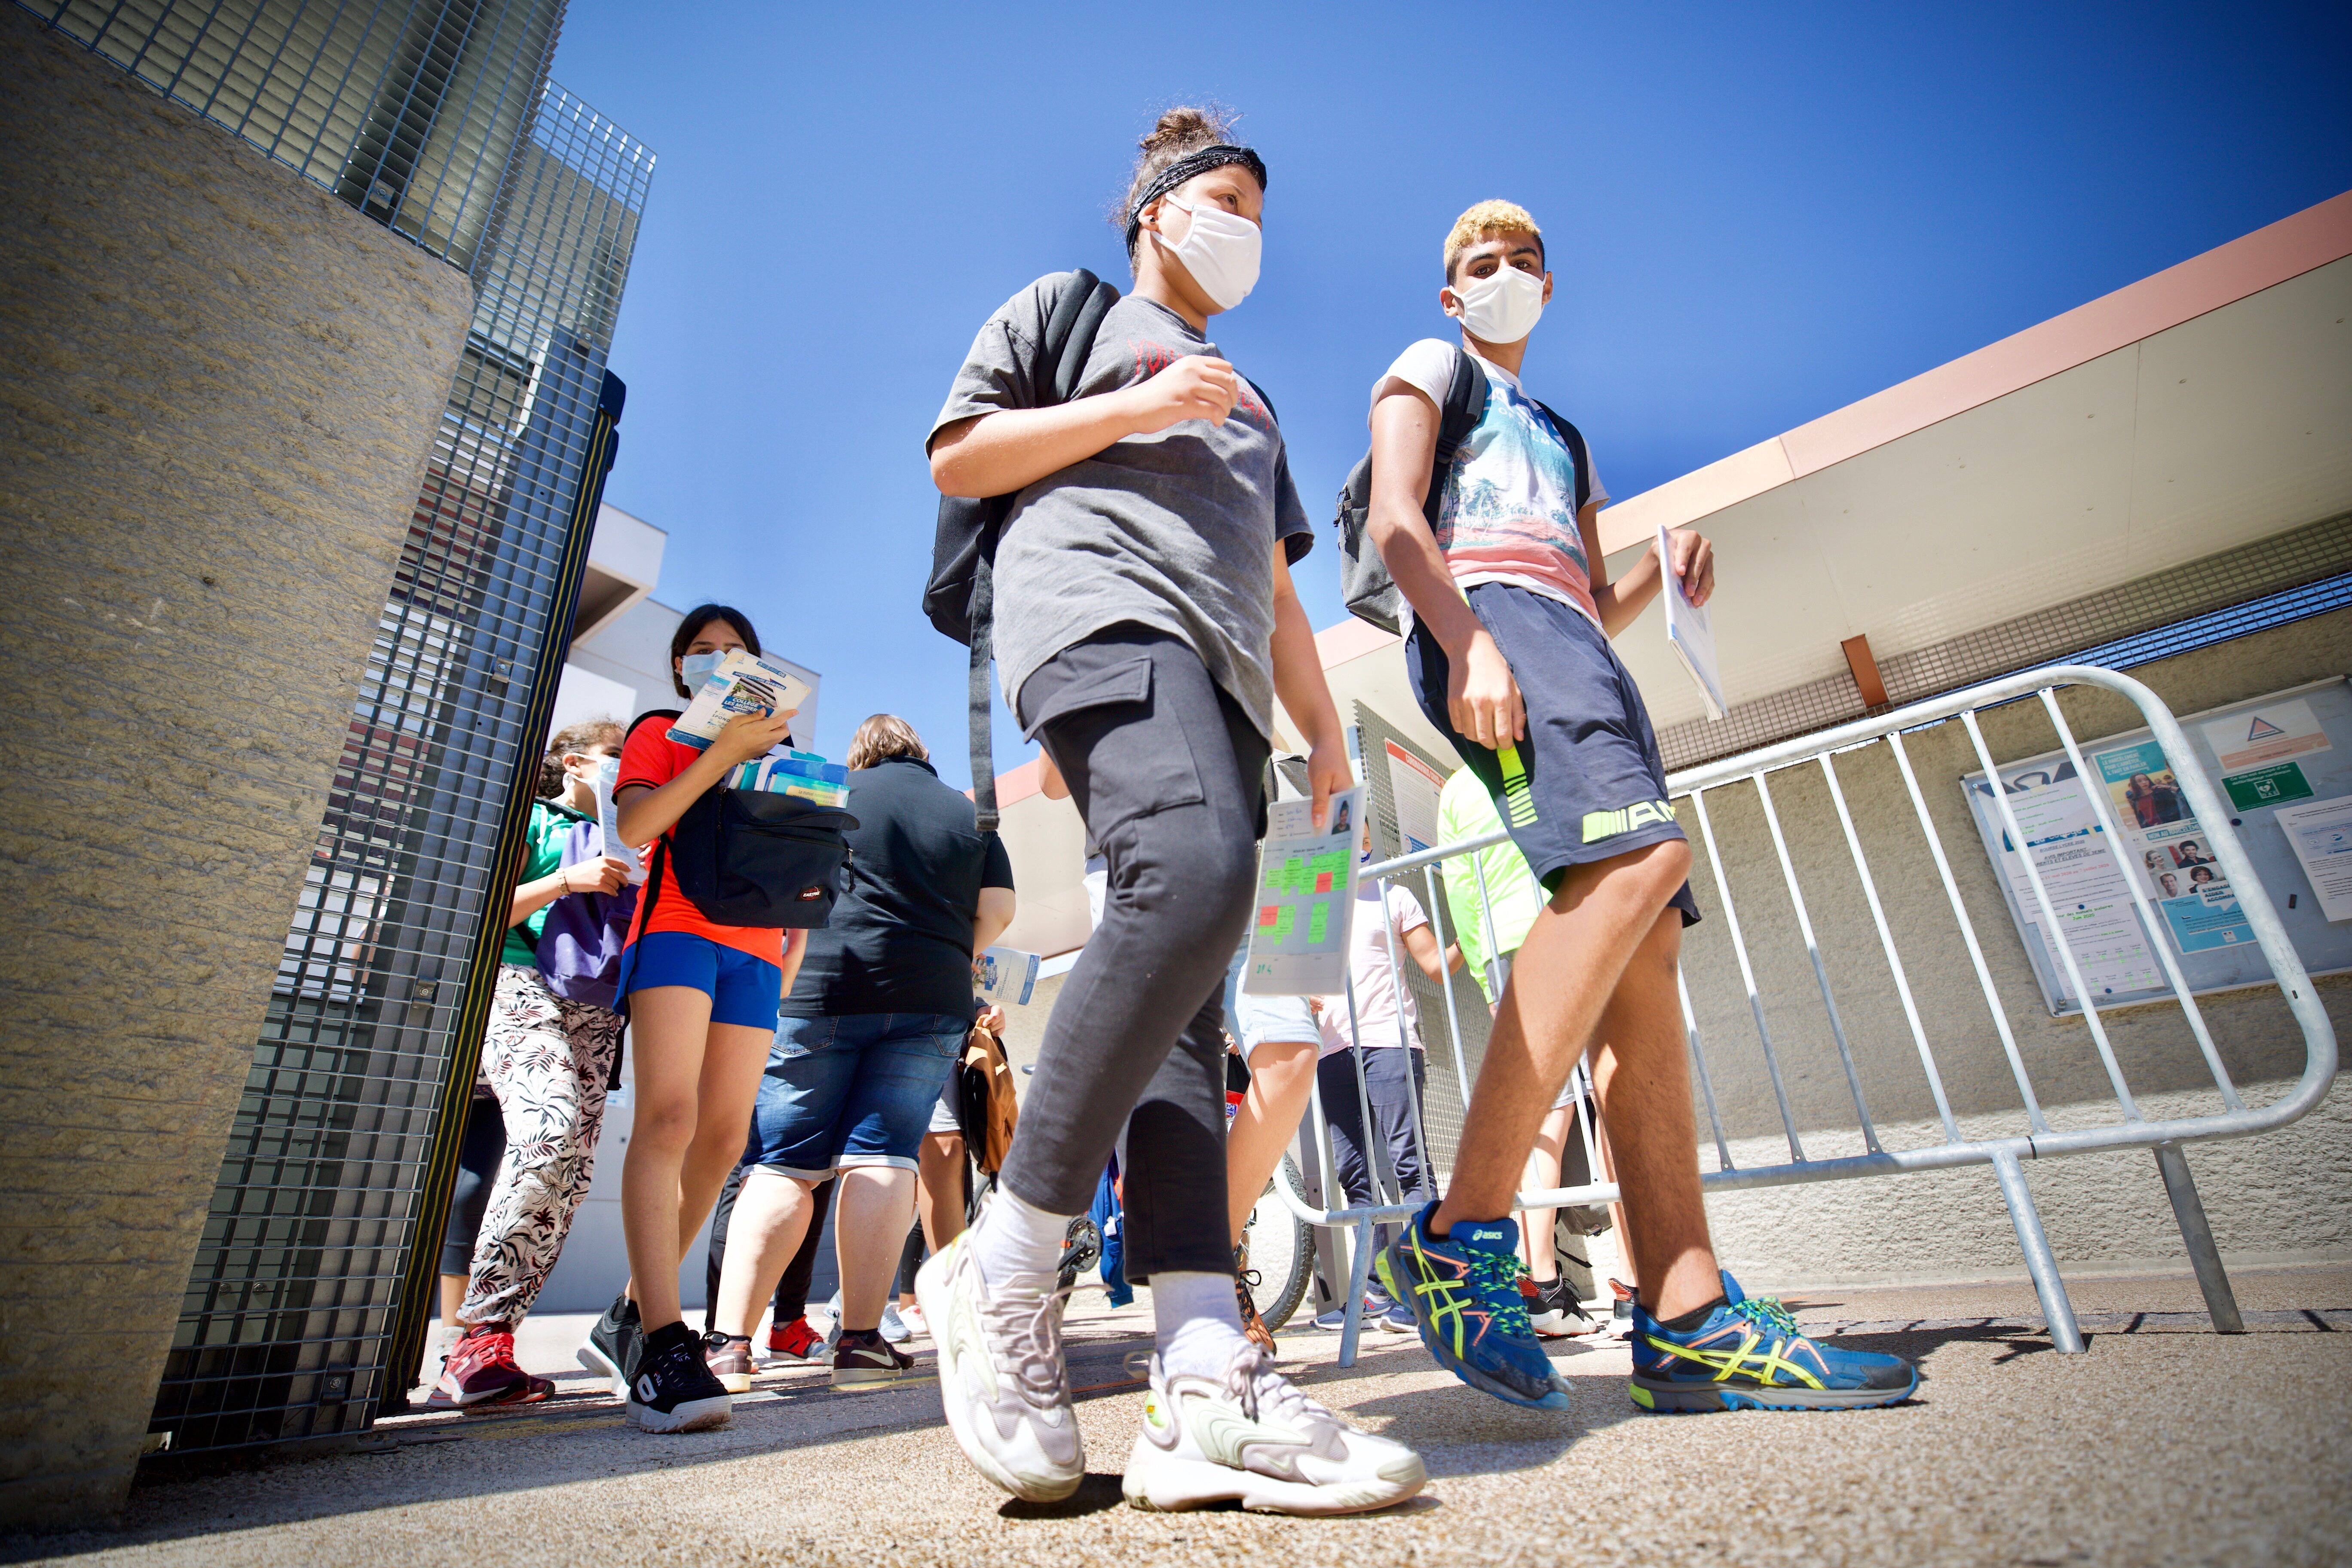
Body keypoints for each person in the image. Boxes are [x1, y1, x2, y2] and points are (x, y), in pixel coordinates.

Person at [918, 107, 1425, 1515]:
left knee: (1189, 1010)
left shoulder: (1253, 401)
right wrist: (1133, 408)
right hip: (1093, 616)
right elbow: (960, 457)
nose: (1245, 226)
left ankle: (1201, 1374)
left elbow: (1273, 590)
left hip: (1225, 680)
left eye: (1262, 208)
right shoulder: (1069, 314)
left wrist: (1325, 731)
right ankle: (1004, 1256)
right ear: (1154, 210)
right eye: (1222, 196)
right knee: (1191, 880)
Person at [1366, 200, 1916, 1414]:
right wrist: (1467, 642)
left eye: (1521, 262)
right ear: (1451, 296)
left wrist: (1653, 578)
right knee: (1631, 865)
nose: (1501, 276)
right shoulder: (1434, 366)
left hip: (1570, 643)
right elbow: (1397, 523)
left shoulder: (1563, 435)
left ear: (1550, 288)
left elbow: (1585, 593)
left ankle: (1686, 1312)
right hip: (1490, 625)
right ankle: (1460, 1238)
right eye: (1477, 266)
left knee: (1646, 934)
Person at [706, 715, 1015, 1390]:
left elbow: (782, 887)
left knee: (784, 1165)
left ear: (860, 754)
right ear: (921, 751)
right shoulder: (968, 813)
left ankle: (729, 1347)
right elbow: (997, 910)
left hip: (821, 988)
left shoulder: (830, 791)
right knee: (883, 1155)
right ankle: (861, 1344)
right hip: (930, 996)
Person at [579, 605, 806, 1433]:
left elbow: (798, 850)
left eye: (735, 650)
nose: (718, 660)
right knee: (669, 1118)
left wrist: (795, 944)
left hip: (755, 950)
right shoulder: (655, 730)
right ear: (680, 669)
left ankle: (630, 1316)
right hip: (674, 929)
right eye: (702, 651)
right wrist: (720, 752)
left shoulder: (779, 749)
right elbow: (637, 825)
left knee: (721, 1139)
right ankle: (667, 1342)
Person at [432, 719, 634, 1408]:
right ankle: (473, 1341)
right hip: (521, 983)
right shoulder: (535, 824)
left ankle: (492, 1347)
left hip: (601, 1005)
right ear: (576, 764)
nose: (625, 770)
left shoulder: (639, 832)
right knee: (546, 1138)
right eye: (616, 758)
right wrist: (567, 882)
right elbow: (476, 912)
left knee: (571, 1175)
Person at [1436, 765, 1608, 1338]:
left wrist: (1488, 978)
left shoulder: (1458, 787)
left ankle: (1543, 1285)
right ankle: (1630, 1287)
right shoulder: (1543, 751)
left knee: (1551, 1119)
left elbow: (1461, 888)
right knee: (1600, 1107)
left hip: (1512, 945)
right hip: (1578, 927)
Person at [1309, 818, 1462, 1331]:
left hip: (1390, 1040)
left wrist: (1476, 930)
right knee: (1354, 1172)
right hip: (1333, 1049)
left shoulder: (1395, 895)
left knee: (1409, 1164)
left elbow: (1436, 965)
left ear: (1370, 837)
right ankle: (1372, 1290)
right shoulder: (1312, 905)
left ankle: (1423, 1292)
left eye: (1356, 825)